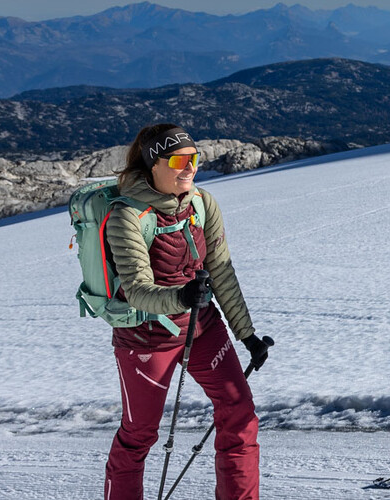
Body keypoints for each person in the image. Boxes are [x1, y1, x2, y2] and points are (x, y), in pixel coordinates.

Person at [103, 124, 272, 500]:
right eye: (179, 160)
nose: (189, 168)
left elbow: (222, 271)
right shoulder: (127, 216)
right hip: (146, 338)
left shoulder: (202, 203)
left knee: (240, 413)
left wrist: (247, 335)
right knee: (139, 434)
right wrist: (182, 297)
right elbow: (137, 291)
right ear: (152, 165)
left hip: (202, 327)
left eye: (195, 158)